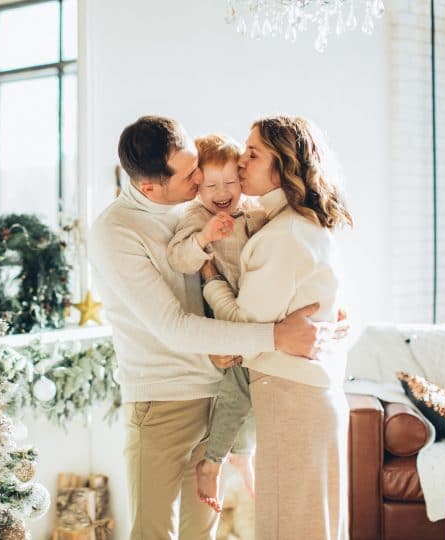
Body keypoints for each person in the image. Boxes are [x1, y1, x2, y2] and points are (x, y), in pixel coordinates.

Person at [87, 115, 338, 540]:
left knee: (202, 533)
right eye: (190, 174)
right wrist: (276, 336)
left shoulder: (193, 206)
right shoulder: (116, 231)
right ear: (150, 187)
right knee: (153, 532)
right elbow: (174, 327)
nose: (202, 176)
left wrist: (325, 315)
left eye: (196, 164)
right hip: (163, 401)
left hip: (217, 390)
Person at [200, 115, 353, 540]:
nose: (240, 163)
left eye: (253, 153)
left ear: (283, 165)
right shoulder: (296, 227)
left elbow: (241, 329)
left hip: (292, 402)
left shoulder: (285, 236)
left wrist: (210, 278)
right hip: (303, 400)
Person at [166, 134, 264, 510]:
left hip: (249, 307)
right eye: (210, 185)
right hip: (220, 312)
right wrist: (206, 237)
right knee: (240, 385)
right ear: (197, 187)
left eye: (230, 183)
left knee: (255, 384)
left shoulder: (253, 210)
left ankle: (239, 451)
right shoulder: (196, 216)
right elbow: (179, 259)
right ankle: (221, 457)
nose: (222, 192)